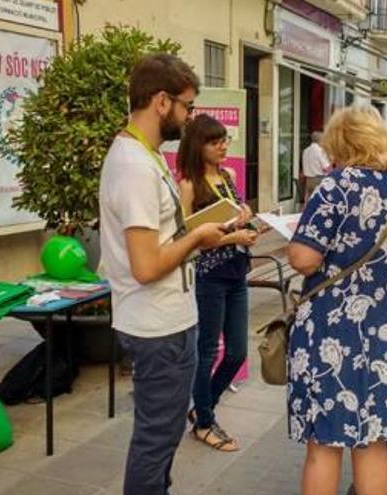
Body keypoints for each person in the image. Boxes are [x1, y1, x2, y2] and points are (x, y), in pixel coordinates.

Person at [286, 106, 387, 495]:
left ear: (340, 143)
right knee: (372, 444)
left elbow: (304, 259)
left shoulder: (335, 188)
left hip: (331, 335)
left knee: (324, 445)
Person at [98, 53, 226, 495]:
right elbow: (147, 265)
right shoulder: (134, 165)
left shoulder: (144, 156)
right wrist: (197, 239)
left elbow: (161, 236)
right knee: (156, 440)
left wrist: (207, 231)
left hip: (168, 319)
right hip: (157, 326)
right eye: (187, 107)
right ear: (160, 102)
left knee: (164, 436)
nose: (190, 118)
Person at [177, 114, 258, 452]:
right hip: (209, 276)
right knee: (207, 350)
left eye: (225, 139)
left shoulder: (229, 175)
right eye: (215, 141)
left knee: (237, 352)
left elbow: (236, 213)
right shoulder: (188, 185)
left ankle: (202, 409)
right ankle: (205, 423)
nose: (224, 146)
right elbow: (186, 238)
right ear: (199, 146)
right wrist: (231, 236)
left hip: (238, 272)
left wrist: (246, 216)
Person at [300, 131, 331, 201]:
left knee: (309, 201)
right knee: (320, 201)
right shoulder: (319, 151)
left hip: (309, 180)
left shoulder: (306, 150)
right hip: (319, 179)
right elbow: (326, 168)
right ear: (321, 140)